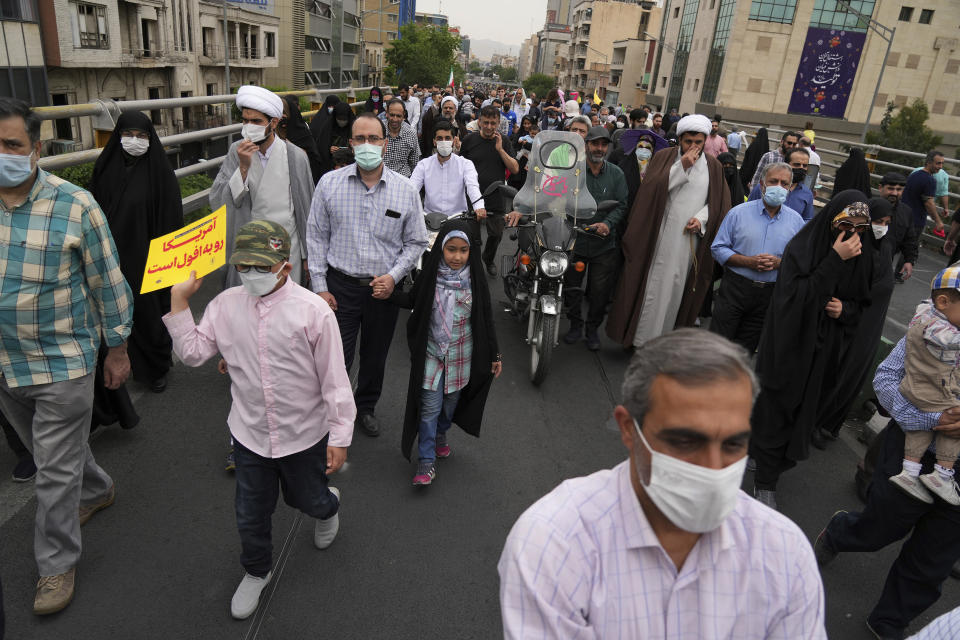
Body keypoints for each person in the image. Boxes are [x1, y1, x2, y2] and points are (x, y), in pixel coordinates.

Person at [498, 329, 827, 639]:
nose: (713, 469)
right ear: (628, 429)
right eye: (685, 441)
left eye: (732, 444)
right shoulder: (554, 545)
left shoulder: (784, 554)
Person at [163, 221, 353, 619]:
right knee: (250, 510)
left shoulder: (313, 312)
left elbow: (335, 380)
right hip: (248, 433)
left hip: (304, 434)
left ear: (285, 265)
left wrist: (339, 436)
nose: (252, 274)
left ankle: (327, 507)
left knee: (306, 498)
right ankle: (256, 570)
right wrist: (179, 303)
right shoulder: (224, 305)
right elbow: (195, 354)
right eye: (244, 266)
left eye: (262, 267)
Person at [0, 97, 133, 615]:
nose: (3, 154)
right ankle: (98, 487)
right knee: (54, 452)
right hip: (7, 365)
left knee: (51, 471)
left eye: (11, 145)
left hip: (61, 364)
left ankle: (55, 565)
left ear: (35, 149)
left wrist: (117, 349)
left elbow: (108, 283)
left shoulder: (75, 206)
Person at [814, 339, 960, 640]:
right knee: (880, 529)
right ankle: (839, 532)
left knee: (933, 560)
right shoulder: (934, 327)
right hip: (913, 453)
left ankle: (889, 620)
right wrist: (933, 418)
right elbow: (886, 379)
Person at [749, 191, 874, 509]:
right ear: (832, 220)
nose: (853, 234)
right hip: (790, 344)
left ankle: (767, 458)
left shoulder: (862, 256)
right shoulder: (803, 248)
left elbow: (862, 305)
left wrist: (842, 310)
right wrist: (834, 260)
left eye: (861, 228)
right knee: (777, 407)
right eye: (847, 224)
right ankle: (765, 479)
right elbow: (792, 298)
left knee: (805, 410)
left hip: (824, 350)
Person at [307, 114, 428, 438]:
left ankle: (366, 407)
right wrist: (319, 286)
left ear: (385, 144)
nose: (367, 145)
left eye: (373, 139)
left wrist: (394, 276)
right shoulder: (329, 184)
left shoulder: (405, 190)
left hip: (381, 290)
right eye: (359, 139)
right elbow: (316, 236)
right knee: (335, 358)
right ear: (350, 144)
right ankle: (335, 413)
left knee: (374, 357)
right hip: (339, 287)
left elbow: (416, 240)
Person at [606, 114, 732, 349]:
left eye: (698, 142)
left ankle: (663, 343)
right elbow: (651, 192)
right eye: (688, 141)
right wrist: (681, 166)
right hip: (659, 235)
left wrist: (702, 219)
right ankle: (640, 339)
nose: (693, 147)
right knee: (653, 287)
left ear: (705, 140)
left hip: (689, 241)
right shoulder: (664, 157)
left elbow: (718, 202)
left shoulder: (713, 166)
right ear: (680, 139)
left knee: (676, 290)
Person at [394, 223, 501, 485]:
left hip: (461, 355)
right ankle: (426, 461)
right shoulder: (429, 277)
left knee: (450, 403)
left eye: (463, 251)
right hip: (431, 353)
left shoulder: (474, 280)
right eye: (451, 250)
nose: (457, 257)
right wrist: (387, 294)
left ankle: (442, 432)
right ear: (441, 249)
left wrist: (495, 355)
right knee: (430, 407)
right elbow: (412, 301)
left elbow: (486, 317)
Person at [89, 111, 182, 395]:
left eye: (142, 136)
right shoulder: (105, 169)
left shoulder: (159, 172)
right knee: (110, 311)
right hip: (111, 257)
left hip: (148, 257)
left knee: (149, 311)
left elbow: (171, 218)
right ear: (117, 136)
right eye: (128, 135)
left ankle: (154, 367)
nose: (134, 141)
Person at [210, 85, 314, 288]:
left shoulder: (296, 156)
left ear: (273, 123)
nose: (249, 126)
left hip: (286, 246)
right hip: (249, 247)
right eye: (245, 121)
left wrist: (307, 255)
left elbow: (306, 209)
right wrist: (242, 168)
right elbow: (220, 200)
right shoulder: (235, 151)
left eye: (256, 121)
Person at [814, 197, 898, 446]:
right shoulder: (855, 248)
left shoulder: (885, 247)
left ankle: (831, 423)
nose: (881, 227)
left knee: (854, 373)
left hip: (871, 325)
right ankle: (815, 422)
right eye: (878, 221)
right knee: (837, 370)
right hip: (848, 322)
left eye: (887, 222)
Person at [710, 162, 805, 353]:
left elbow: (801, 259)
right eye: (773, 181)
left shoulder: (796, 222)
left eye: (784, 184)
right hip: (735, 288)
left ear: (790, 188)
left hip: (769, 294)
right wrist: (748, 262)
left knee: (746, 349)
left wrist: (780, 263)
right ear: (762, 184)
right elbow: (718, 248)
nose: (779, 187)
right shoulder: (738, 213)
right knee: (717, 345)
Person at [886, 266, 960, 505]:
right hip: (931, 401)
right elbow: (886, 376)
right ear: (943, 301)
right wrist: (933, 419)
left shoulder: (927, 313)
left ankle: (910, 471)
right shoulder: (938, 324)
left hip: (919, 397)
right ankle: (942, 474)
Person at [459, 105, 519, 277]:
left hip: (496, 197)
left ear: (498, 123)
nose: (490, 127)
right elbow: (460, 166)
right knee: (473, 237)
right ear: (479, 122)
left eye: (493, 123)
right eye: (486, 122)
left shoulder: (504, 141)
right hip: (472, 197)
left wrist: (500, 150)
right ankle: (474, 266)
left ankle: (488, 258)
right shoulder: (470, 140)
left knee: (497, 234)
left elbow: (515, 169)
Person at [409, 120, 485, 218]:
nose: (444, 142)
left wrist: (479, 207)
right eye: (439, 138)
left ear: (454, 141)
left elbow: (472, 186)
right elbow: (412, 188)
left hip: (458, 219)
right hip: (429, 219)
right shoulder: (423, 165)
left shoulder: (465, 164)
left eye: (447, 138)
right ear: (434, 142)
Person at [748, 147, 815, 222]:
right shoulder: (763, 187)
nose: (801, 168)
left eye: (805, 166)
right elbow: (748, 210)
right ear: (786, 164)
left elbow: (807, 219)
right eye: (797, 164)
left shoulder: (807, 194)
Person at [876, 172, 919, 283]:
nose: (894, 193)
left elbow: (910, 238)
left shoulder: (906, 212)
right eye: (890, 188)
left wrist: (909, 260)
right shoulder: (869, 206)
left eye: (899, 189)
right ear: (880, 188)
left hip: (886, 263)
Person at [278, 94, 324, 185]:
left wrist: (290, 146)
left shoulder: (302, 133)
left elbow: (313, 161)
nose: (281, 117)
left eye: (284, 112)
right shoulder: (270, 132)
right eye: (278, 113)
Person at [903, 151, 946, 236]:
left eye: (942, 163)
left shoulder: (914, 174)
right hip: (915, 221)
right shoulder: (930, 180)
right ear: (928, 163)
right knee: (910, 247)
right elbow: (929, 203)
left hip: (903, 217)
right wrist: (938, 222)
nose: (940, 167)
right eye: (938, 163)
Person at [383, 98, 421, 178]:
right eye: (392, 115)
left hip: (403, 178)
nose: (395, 119)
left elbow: (414, 162)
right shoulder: (378, 129)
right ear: (387, 113)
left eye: (399, 116)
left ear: (404, 115)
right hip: (380, 178)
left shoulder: (411, 133)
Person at [318, 102, 356, 175]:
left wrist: (352, 149)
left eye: (344, 119)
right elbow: (321, 146)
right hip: (331, 167)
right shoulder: (328, 127)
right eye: (339, 119)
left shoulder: (355, 127)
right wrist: (329, 149)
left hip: (351, 166)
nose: (342, 122)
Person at [911, 159, 951, 223]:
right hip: (924, 210)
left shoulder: (916, 171)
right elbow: (944, 194)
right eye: (939, 163)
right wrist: (945, 208)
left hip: (910, 206)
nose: (940, 166)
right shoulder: (944, 175)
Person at [739, 127, 769, 193]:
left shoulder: (753, 145)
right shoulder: (766, 147)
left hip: (748, 175)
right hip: (759, 178)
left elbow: (747, 162)